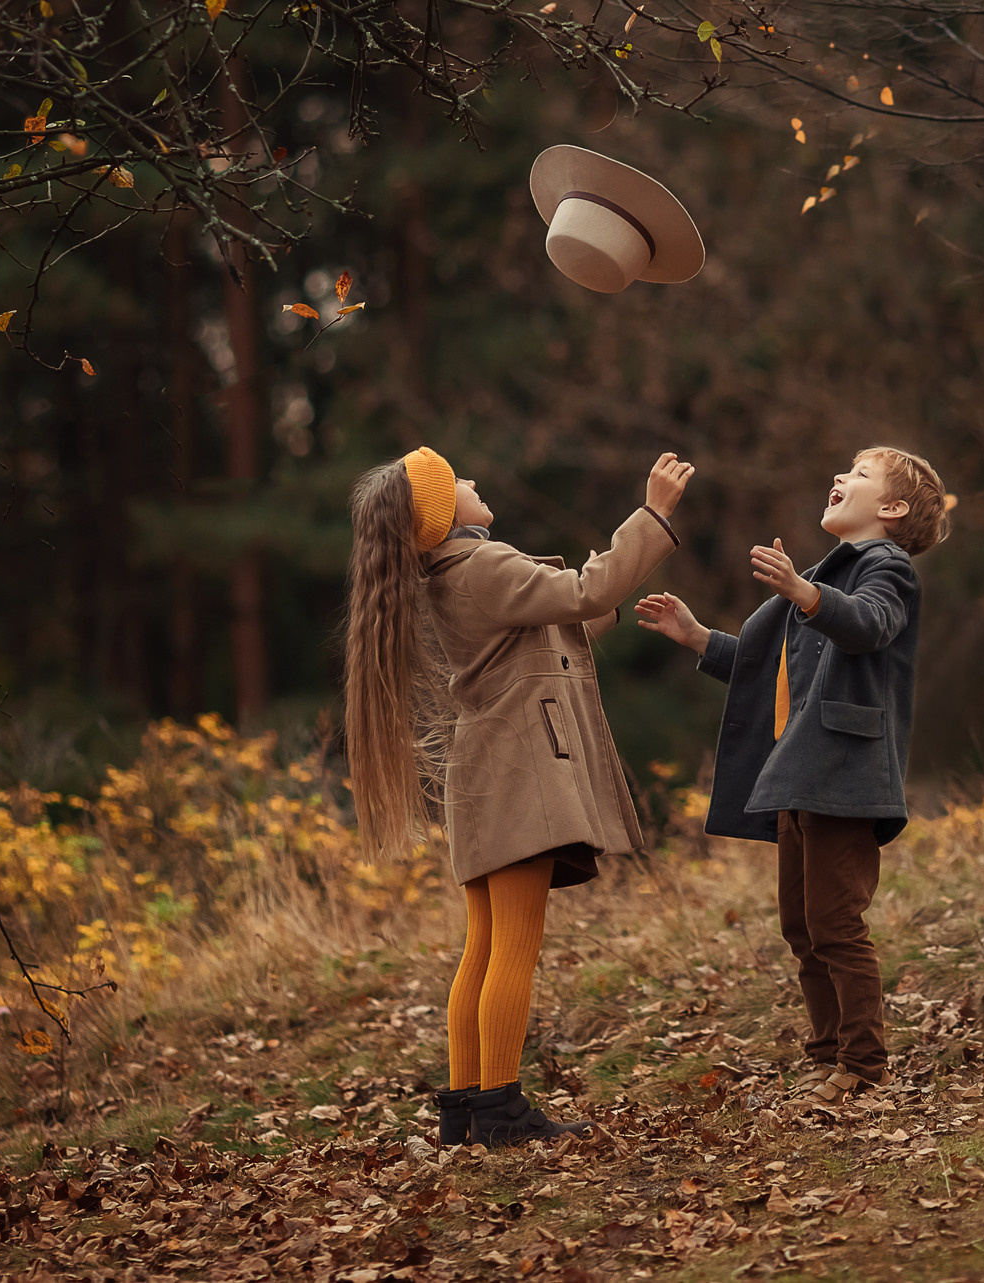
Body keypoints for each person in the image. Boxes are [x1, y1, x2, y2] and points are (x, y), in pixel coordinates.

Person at [346, 445, 693, 1148]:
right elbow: (583, 594)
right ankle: (501, 1107)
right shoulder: (481, 562)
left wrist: (610, 587)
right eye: (459, 482)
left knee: (482, 947)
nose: (474, 481)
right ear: (440, 517)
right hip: (519, 773)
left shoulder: (454, 574)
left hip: (486, 775)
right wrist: (652, 514)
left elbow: (561, 623)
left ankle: (467, 1106)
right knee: (513, 949)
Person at [635, 447, 951, 1108]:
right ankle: (830, 1055)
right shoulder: (822, 577)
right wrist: (699, 638)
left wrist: (805, 594)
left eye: (860, 475)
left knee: (836, 922)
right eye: (844, 470)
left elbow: (869, 626)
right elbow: (771, 667)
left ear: (891, 509)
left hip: (845, 773)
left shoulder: (884, 567)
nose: (839, 476)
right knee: (802, 928)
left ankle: (863, 1066)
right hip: (803, 771)